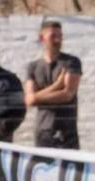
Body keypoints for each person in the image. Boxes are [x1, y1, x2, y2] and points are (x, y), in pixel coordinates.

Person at [24, 21, 82, 149]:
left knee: (70, 167)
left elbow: (67, 94)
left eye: (60, 36)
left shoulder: (71, 62)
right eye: (53, 36)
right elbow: (29, 100)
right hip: (42, 130)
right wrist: (56, 86)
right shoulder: (33, 67)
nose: (57, 40)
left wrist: (36, 97)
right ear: (41, 38)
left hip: (66, 129)